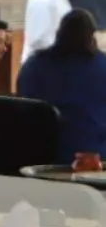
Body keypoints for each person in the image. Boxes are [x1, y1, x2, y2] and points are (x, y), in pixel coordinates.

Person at [18, 10, 106, 164]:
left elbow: (22, 103)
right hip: (94, 157)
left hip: (39, 156)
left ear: (59, 33)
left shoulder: (33, 66)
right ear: (92, 36)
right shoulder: (102, 66)